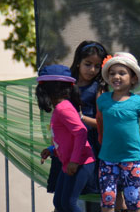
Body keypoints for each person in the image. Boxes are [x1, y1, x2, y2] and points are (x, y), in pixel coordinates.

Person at [97, 52, 140, 212]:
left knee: (133, 200)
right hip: (107, 159)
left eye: (122, 73)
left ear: (133, 78)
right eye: (112, 73)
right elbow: (100, 121)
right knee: (107, 199)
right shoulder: (103, 100)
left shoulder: (139, 103)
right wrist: (101, 138)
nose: (116, 77)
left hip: (131, 159)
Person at [37, 64, 97, 212]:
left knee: (69, 204)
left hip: (81, 162)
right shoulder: (61, 108)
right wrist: (52, 150)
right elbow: (66, 139)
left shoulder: (63, 108)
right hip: (70, 162)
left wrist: (74, 161)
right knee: (59, 203)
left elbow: (81, 132)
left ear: (50, 89)